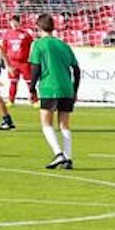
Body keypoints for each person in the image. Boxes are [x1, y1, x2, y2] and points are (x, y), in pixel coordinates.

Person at [28, 13, 82, 170]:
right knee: (64, 124)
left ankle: (58, 154)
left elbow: (35, 68)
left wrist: (32, 88)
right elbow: (77, 70)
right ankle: (68, 157)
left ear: (38, 27)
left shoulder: (38, 44)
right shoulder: (64, 45)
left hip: (49, 87)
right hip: (67, 88)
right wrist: (75, 90)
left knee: (46, 123)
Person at [1, 18, 38, 107]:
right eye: (11, 22)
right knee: (13, 82)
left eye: (15, 22)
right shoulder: (7, 34)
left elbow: (32, 45)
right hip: (13, 63)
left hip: (24, 62)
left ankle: (35, 100)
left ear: (19, 23)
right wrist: (2, 60)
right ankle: (11, 100)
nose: (13, 24)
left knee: (30, 82)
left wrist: (32, 58)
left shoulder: (26, 34)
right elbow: (4, 48)